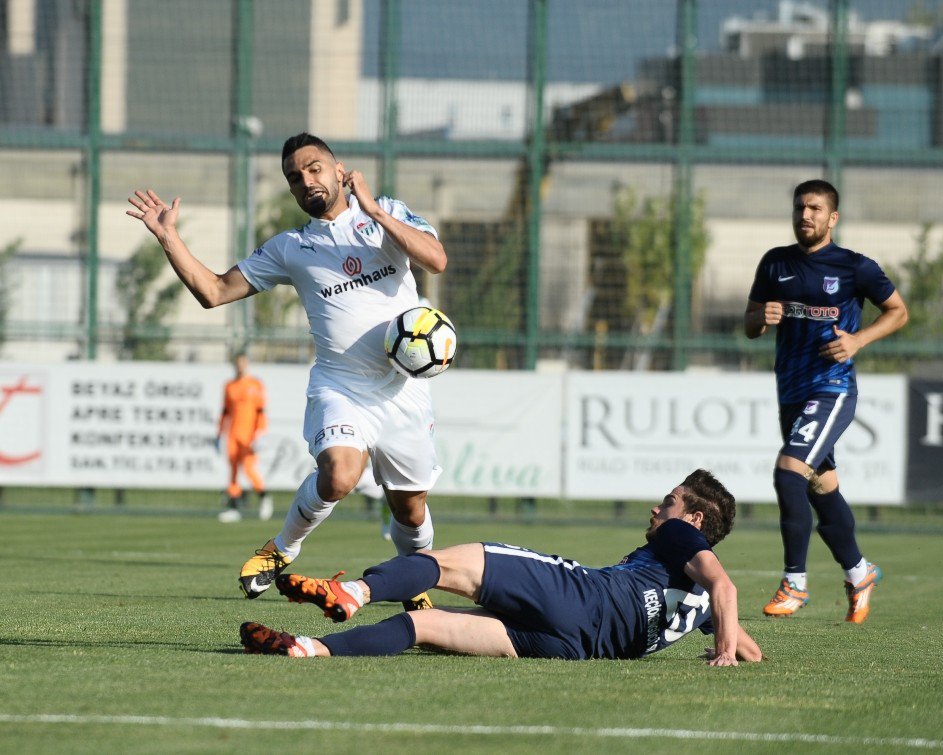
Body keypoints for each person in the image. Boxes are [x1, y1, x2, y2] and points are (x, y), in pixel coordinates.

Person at [127, 132, 447, 610]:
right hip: (341, 387)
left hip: (403, 390)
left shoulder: (389, 213)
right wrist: (169, 236)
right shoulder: (290, 247)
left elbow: (436, 261)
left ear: (340, 171)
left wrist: (375, 213)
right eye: (294, 178)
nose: (306, 181)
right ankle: (282, 547)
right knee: (339, 475)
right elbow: (213, 292)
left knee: (410, 506)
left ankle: (412, 580)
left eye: (314, 168)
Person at [239, 469, 763, 665]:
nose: (658, 509)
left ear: (694, 519)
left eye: (668, 501)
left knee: (441, 565)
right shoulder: (702, 607)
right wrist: (730, 647)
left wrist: (720, 658)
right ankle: (310, 650)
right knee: (425, 625)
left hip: (579, 596)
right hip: (576, 649)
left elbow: (726, 585)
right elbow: (750, 646)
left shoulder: (680, 536)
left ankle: (354, 591)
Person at [744, 179, 908, 623]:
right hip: (790, 392)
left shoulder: (855, 267)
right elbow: (750, 324)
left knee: (789, 473)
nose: (805, 215)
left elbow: (899, 311)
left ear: (832, 218)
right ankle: (860, 572)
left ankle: (794, 583)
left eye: (815, 208)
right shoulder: (775, 263)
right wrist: (762, 317)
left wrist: (857, 341)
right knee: (820, 486)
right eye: (800, 207)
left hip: (832, 389)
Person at [216, 352, 272, 523]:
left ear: (247, 363)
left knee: (248, 468)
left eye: (242, 362)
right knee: (232, 470)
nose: (239, 366)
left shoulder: (255, 384)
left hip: (249, 435)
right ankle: (233, 507)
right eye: (237, 362)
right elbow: (225, 412)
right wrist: (219, 433)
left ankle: (264, 497)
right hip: (232, 433)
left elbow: (261, 411)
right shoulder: (229, 386)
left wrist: (260, 433)